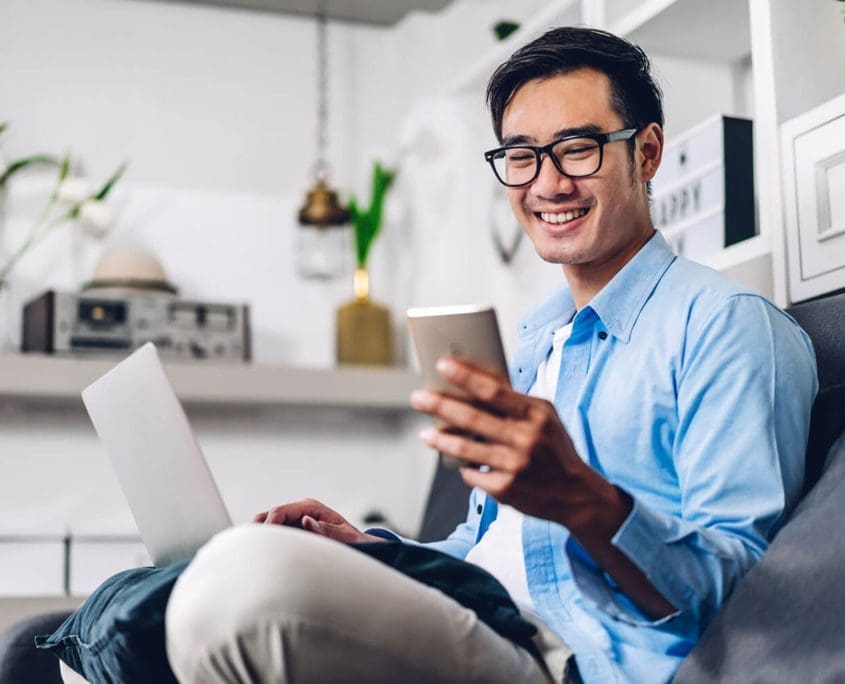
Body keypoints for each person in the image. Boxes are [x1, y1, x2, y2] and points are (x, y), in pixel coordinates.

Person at [164, 26, 817, 684]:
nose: (548, 183)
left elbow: (742, 594)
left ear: (646, 153)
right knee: (177, 586)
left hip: (572, 661)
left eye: (578, 149)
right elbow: (484, 551)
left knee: (238, 585)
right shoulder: (538, 339)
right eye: (522, 156)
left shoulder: (726, 327)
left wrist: (582, 498)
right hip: (482, 620)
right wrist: (370, 553)